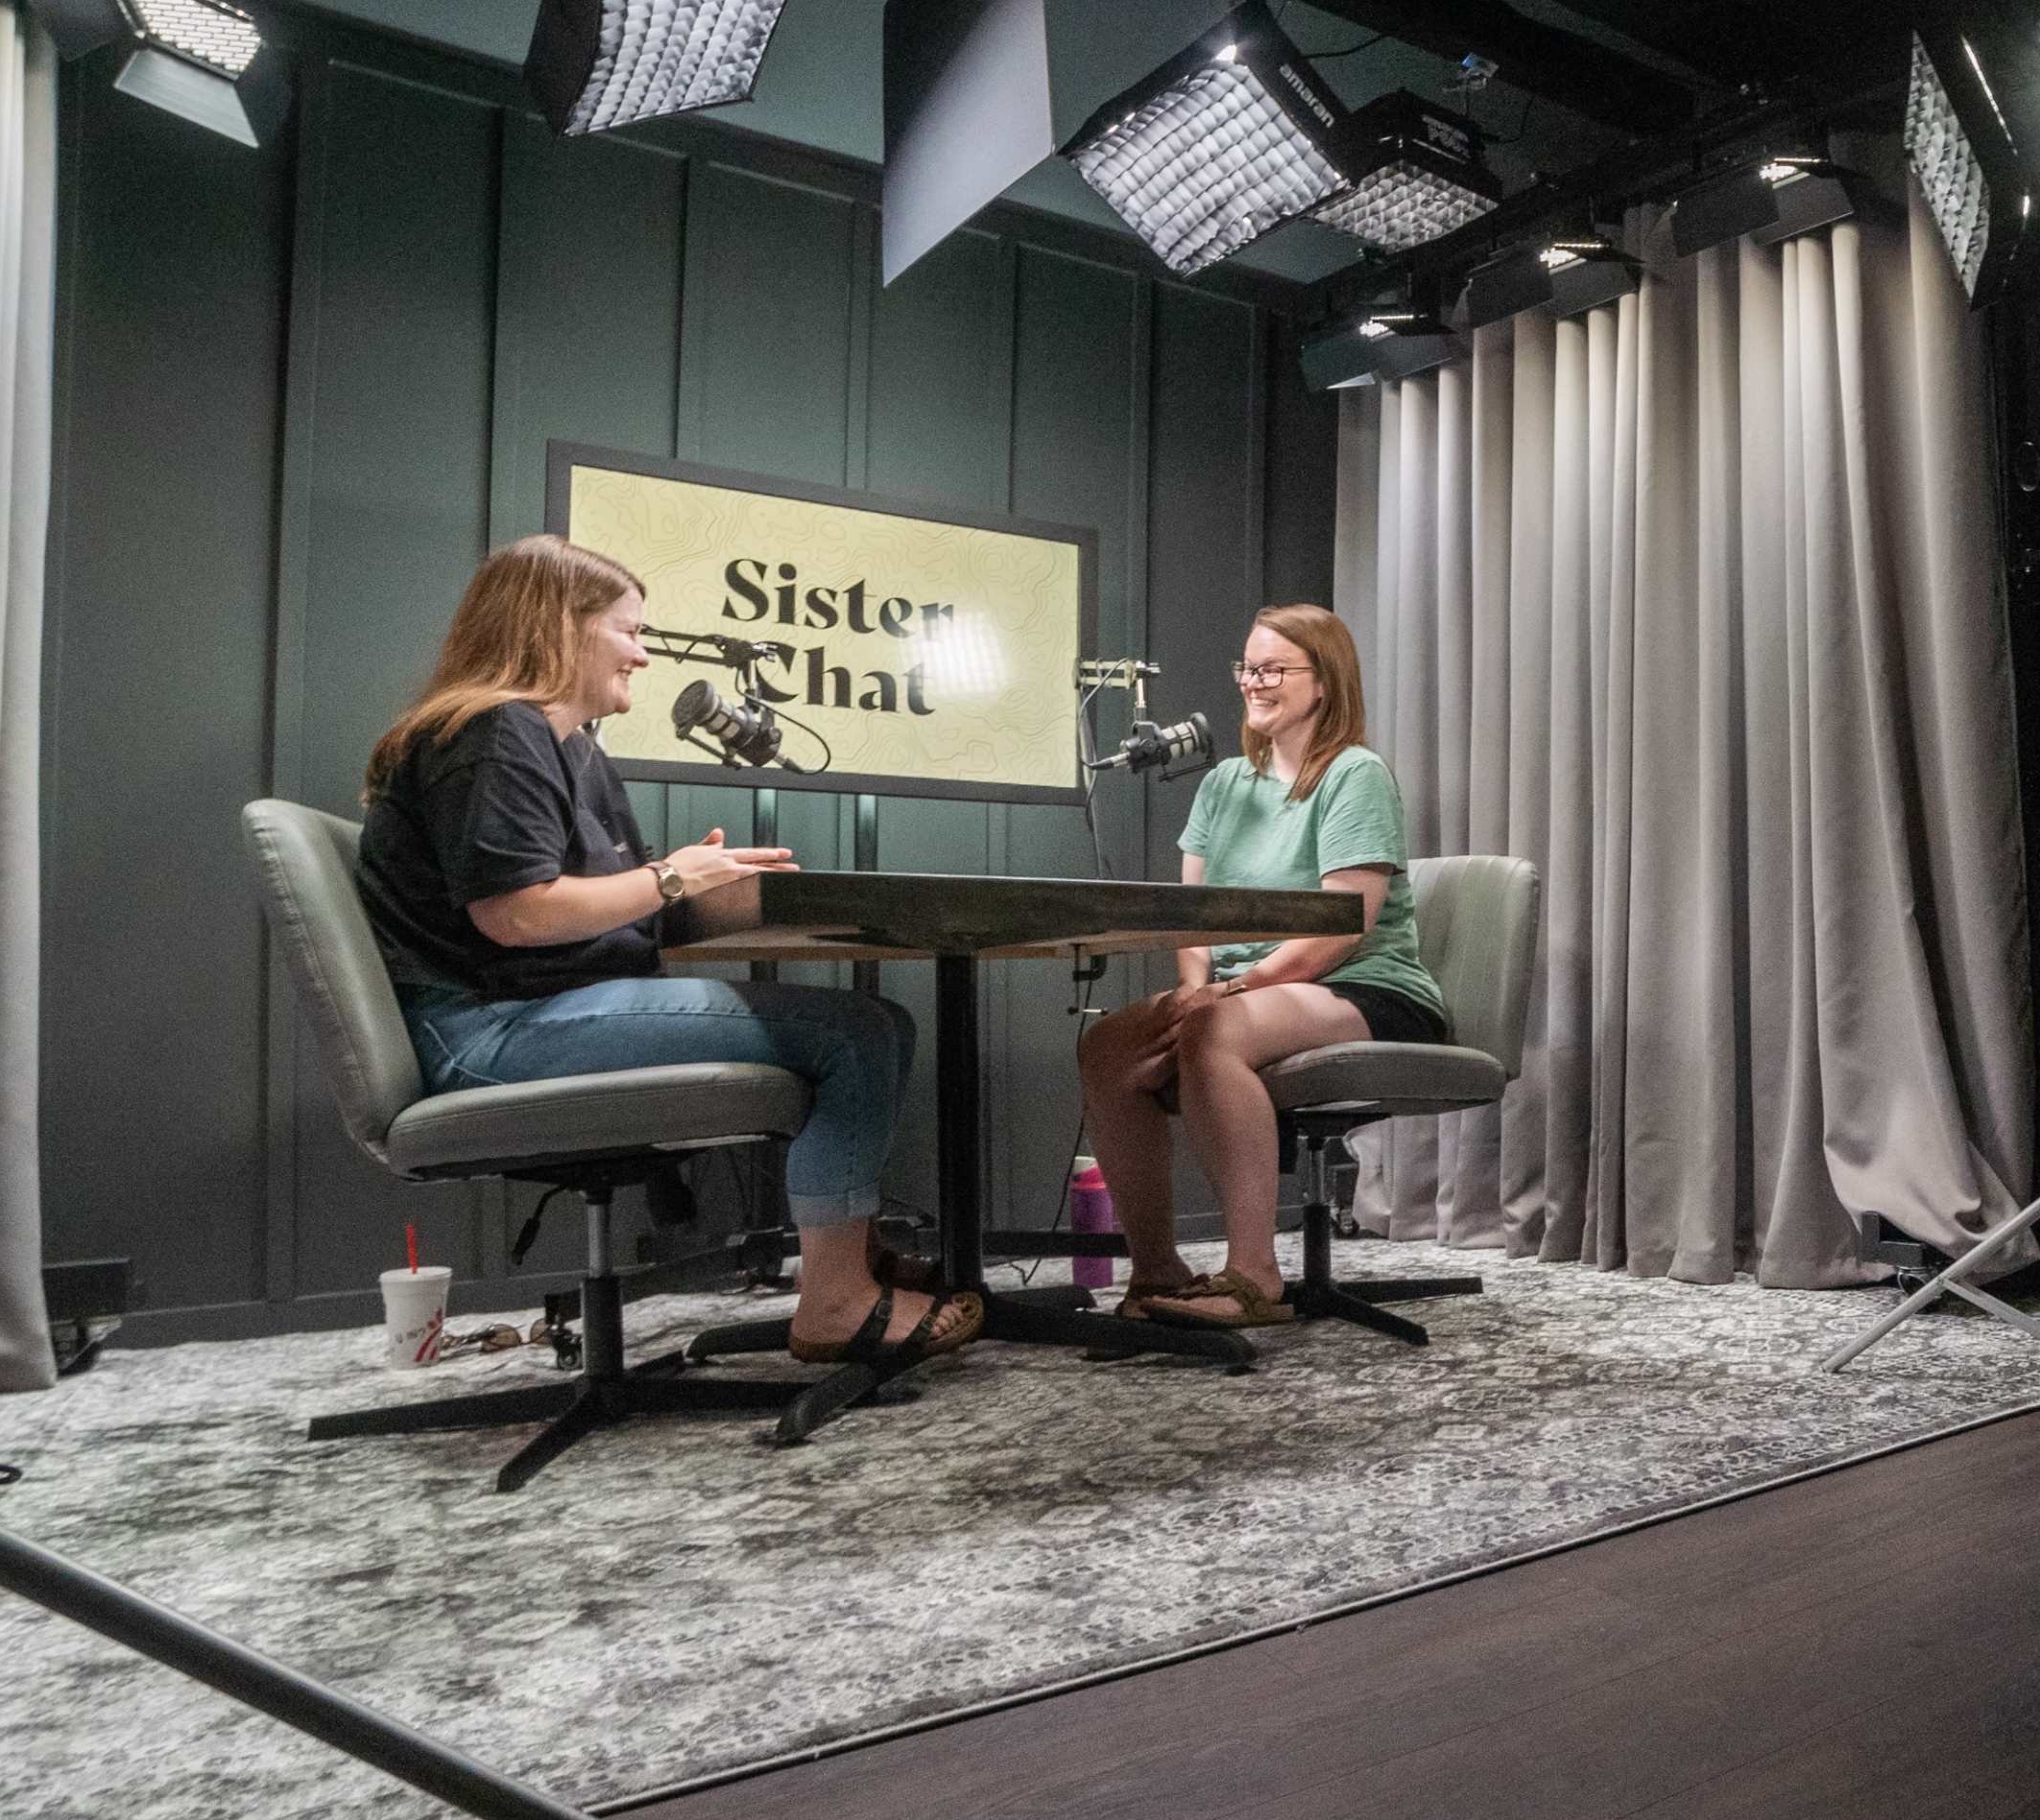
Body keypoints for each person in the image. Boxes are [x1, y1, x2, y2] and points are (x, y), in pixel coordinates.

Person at [358, 539, 984, 1365]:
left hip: (539, 1009)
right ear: (559, 627)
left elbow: (606, 905)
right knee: (856, 1034)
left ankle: (853, 1264)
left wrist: (705, 881)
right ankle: (836, 1301)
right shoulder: (496, 731)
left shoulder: (565, 743)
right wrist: (670, 878)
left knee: (880, 1026)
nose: (645, 654)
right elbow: (514, 915)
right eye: (628, 631)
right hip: (488, 1034)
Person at [1075, 603, 1451, 1331]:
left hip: (1365, 985)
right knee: (1108, 1047)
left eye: (1274, 667)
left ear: (1325, 681)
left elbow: (1342, 928)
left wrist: (1227, 990)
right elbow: (1196, 916)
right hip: (1243, 992)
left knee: (1213, 1027)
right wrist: (1194, 987)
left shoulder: (1354, 774)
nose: (1254, 680)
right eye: (1248, 666)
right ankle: (1157, 1269)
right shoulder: (1222, 784)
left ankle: (1254, 1273)